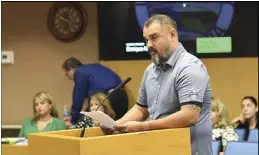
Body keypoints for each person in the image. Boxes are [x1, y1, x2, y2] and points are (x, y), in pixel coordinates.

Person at [101, 14, 212, 155]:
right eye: (146, 40)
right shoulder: (150, 71)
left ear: (172, 35)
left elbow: (189, 115)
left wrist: (143, 127)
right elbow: (141, 109)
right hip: (161, 149)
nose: (148, 45)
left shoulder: (190, 67)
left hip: (190, 150)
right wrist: (116, 126)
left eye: (154, 38)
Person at [62, 57, 128, 124]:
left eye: (67, 74)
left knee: (91, 122)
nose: (69, 78)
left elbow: (78, 98)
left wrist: (73, 120)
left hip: (108, 99)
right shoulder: (95, 67)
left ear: (71, 69)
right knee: (118, 126)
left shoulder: (79, 72)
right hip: (122, 96)